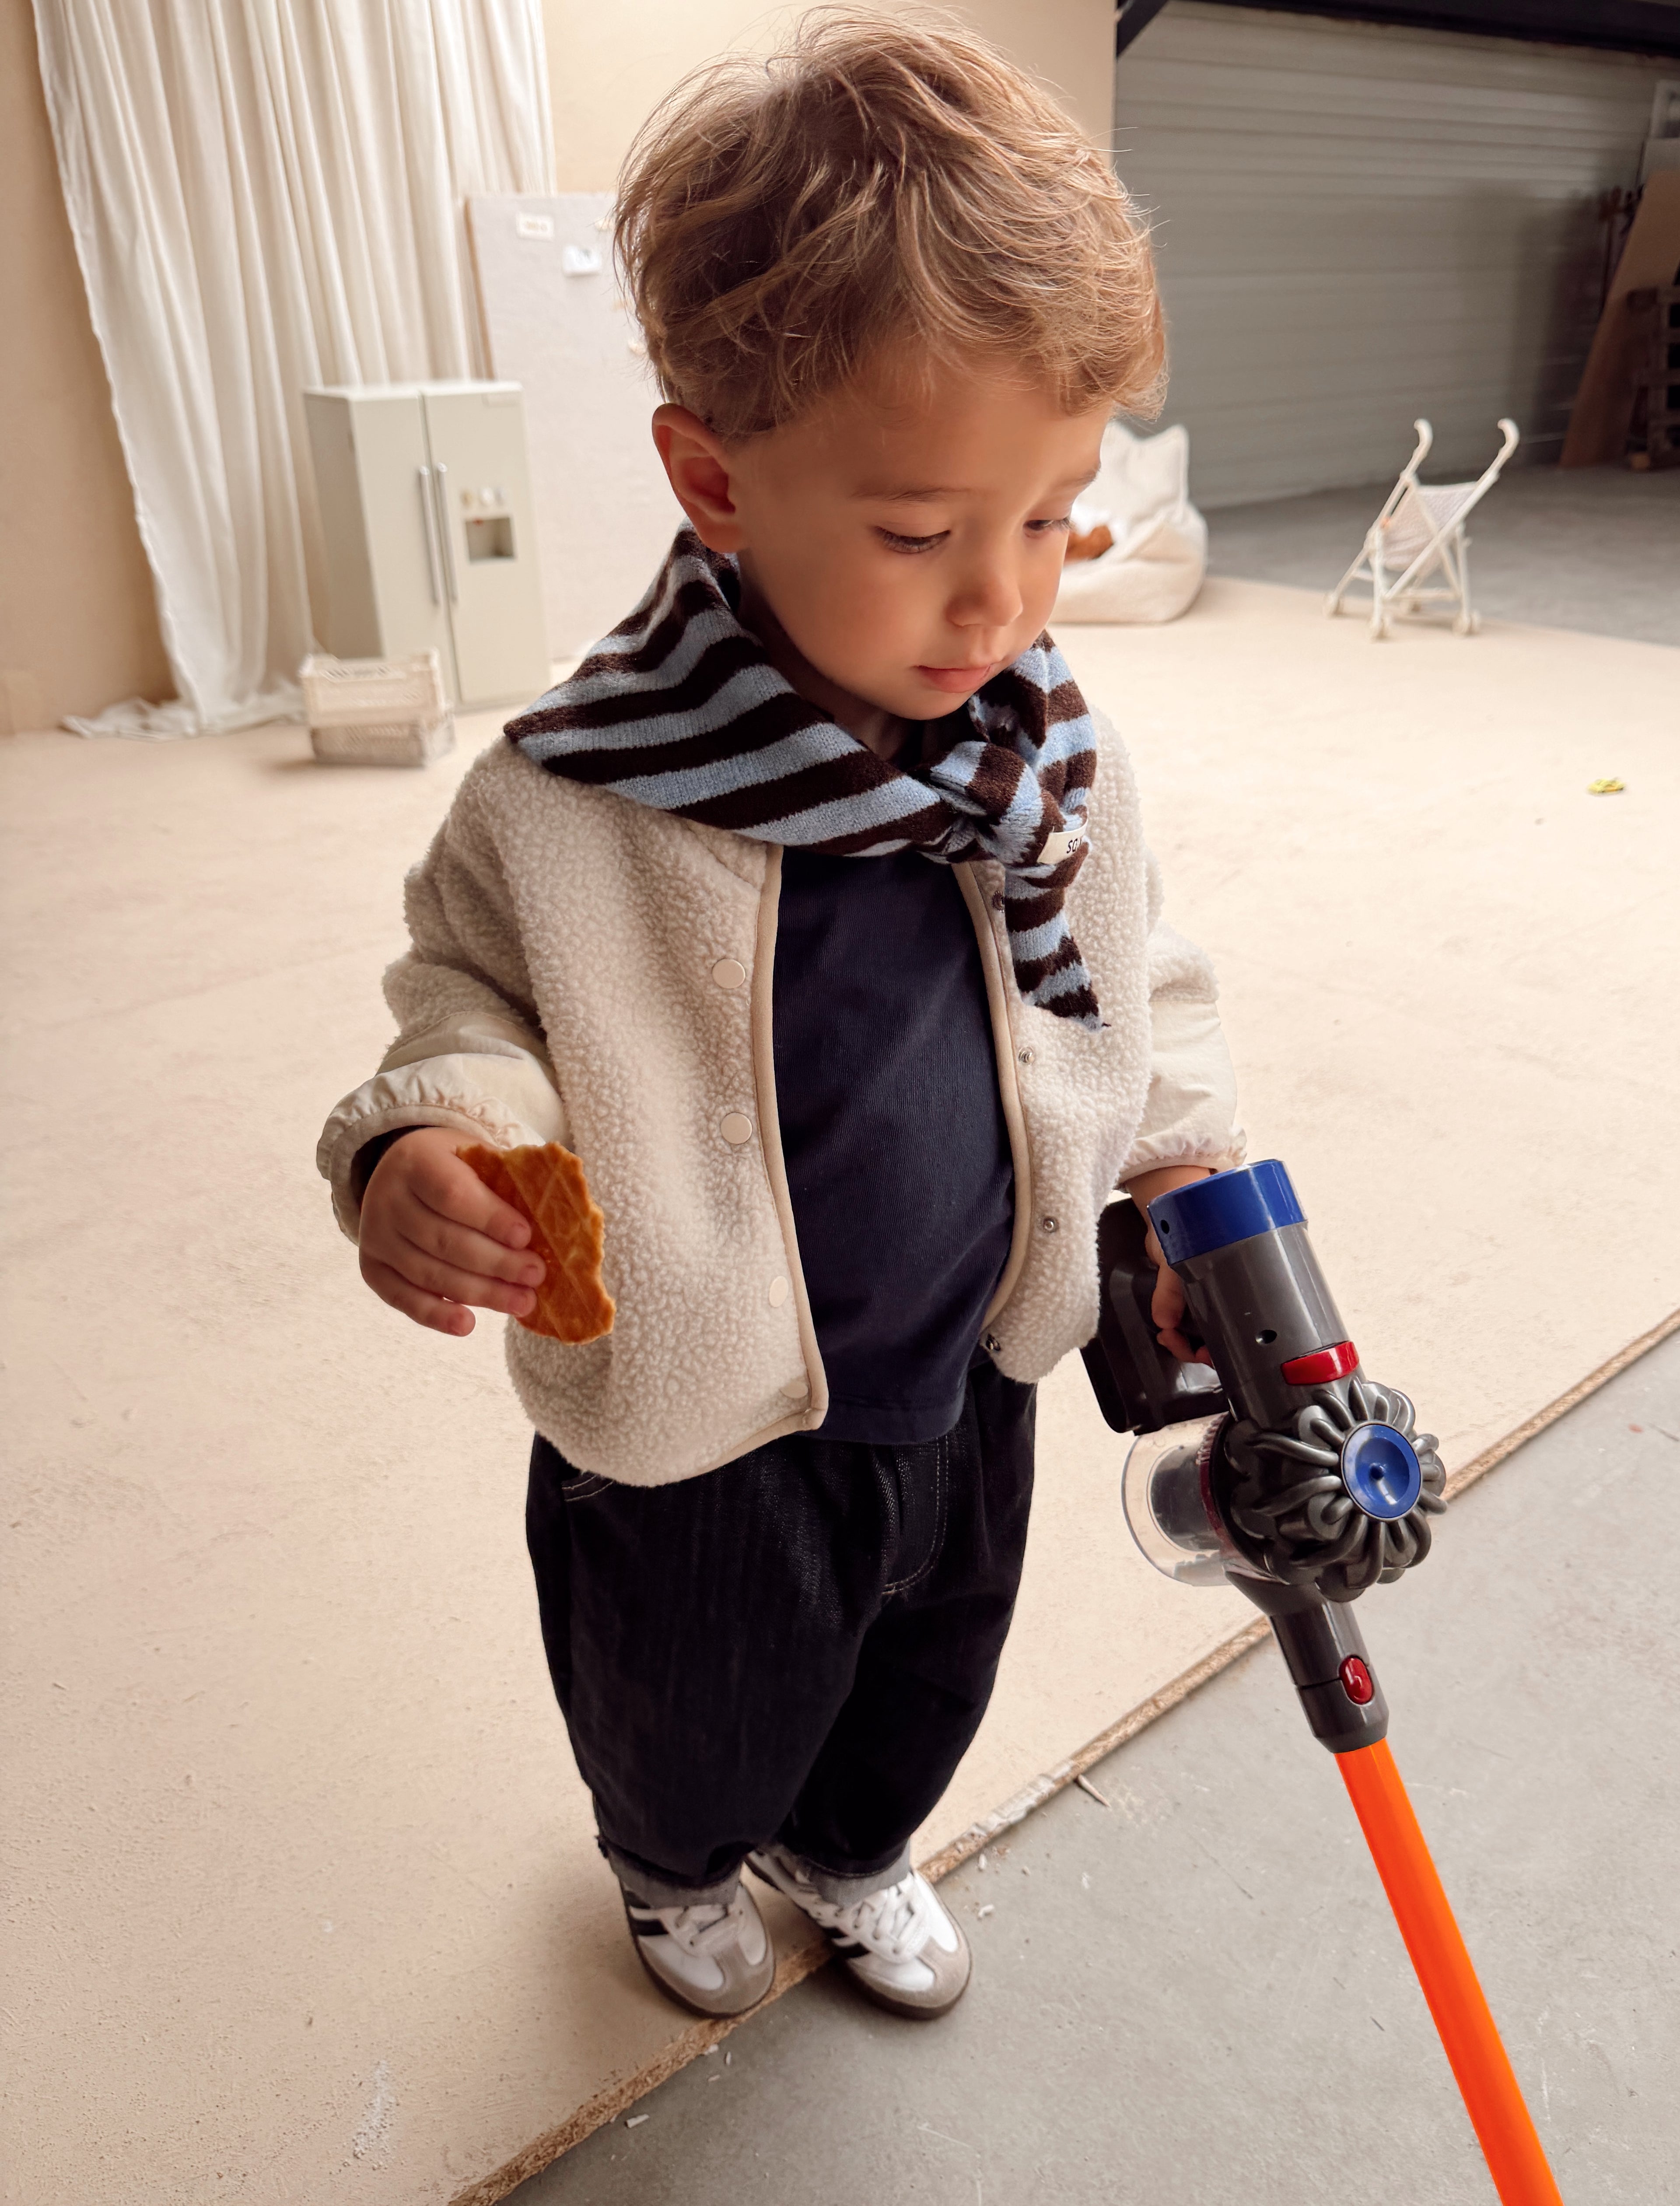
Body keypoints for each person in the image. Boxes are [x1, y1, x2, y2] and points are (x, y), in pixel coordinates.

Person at [317, 6, 1243, 2025]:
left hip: (965, 1364)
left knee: (927, 1667)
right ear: (714, 477)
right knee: (689, 1696)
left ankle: (853, 1844)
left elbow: (1139, 984)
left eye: (1053, 513)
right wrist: (422, 1143)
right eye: (920, 531)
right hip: (704, 1412)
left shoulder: (1049, 760)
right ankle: (669, 1865)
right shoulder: (576, 795)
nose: (1000, 599)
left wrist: (1182, 1176)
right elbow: (466, 991)